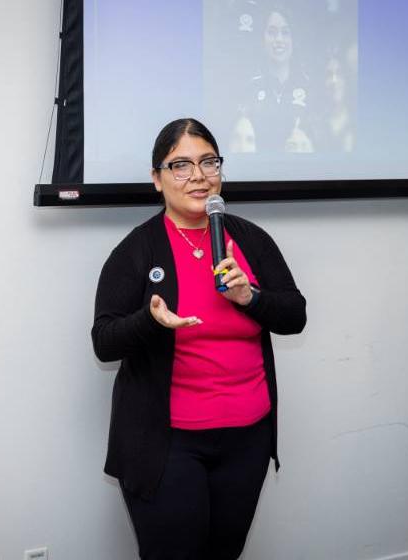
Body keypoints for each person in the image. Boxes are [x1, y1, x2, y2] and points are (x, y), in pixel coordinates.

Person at [91, 118, 306, 559]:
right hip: (167, 445)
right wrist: (151, 321)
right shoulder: (136, 250)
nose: (198, 176)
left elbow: (295, 316)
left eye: (209, 162)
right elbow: (104, 341)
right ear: (157, 178)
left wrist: (251, 298)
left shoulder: (251, 240)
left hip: (246, 440)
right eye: (181, 165)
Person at [235, 6, 317, 153]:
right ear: (262, 39)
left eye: (285, 33)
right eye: (272, 32)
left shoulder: (309, 86)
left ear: (294, 39)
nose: (279, 39)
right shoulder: (249, 87)